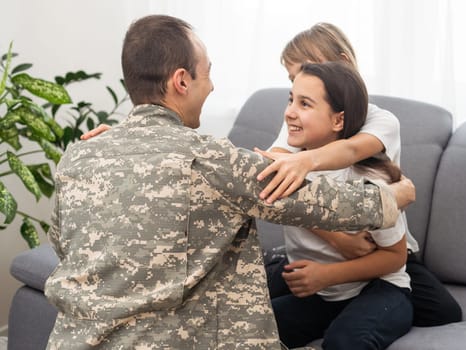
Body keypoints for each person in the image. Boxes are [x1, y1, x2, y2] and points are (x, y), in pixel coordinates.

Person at [44, 15, 415, 349]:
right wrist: (397, 193)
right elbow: (322, 201)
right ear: (182, 81)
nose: (213, 86)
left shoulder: (79, 154)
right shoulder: (214, 162)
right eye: (208, 72)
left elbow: (64, 244)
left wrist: (123, 143)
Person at [256, 22, 462, 328]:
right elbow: (276, 172)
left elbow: (350, 151)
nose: (304, 82)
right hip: (328, 245)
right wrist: (338, 238)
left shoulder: (380, 121)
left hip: (378, 246)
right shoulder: (300, 123)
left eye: (311, 70)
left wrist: (303, 163)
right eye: (294, 81)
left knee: (442, 312)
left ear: (343, 62)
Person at [271, 61, 412, 349]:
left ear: (338, 121)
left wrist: (324, 276)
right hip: (322, 295)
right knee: (250, 326)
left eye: (305, 104)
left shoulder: (368, 179)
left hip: (378, 288)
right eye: (290, 100)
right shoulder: (285, 166)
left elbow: (395, 257)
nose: (289, 112)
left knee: (344, 342)